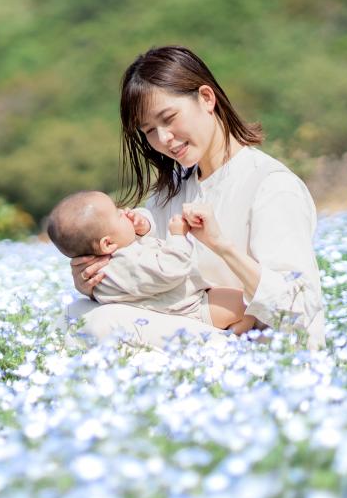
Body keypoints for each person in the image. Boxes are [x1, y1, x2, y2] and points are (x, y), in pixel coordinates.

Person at [63, 45, 328, 351]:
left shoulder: (271, 185)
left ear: (206, 98)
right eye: (149, 130)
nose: (163, 139)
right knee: (76, 313)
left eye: (169, 118)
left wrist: (222, 246)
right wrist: (97, 282)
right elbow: (149, 279)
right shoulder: (171, 191)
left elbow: (300, 308)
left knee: (101, 325)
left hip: (260, 346)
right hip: (202, 332)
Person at [44, 189, 257, 333]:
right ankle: (226, 341)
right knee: (249, 306)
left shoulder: (111, 263)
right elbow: (171, 269)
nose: (127, 213)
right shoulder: (124, 264)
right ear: (108, 244)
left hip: (178, 306)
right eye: (119, 215)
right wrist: (177, 236)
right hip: (189, 310)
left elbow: (140, 248)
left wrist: (143, 225)